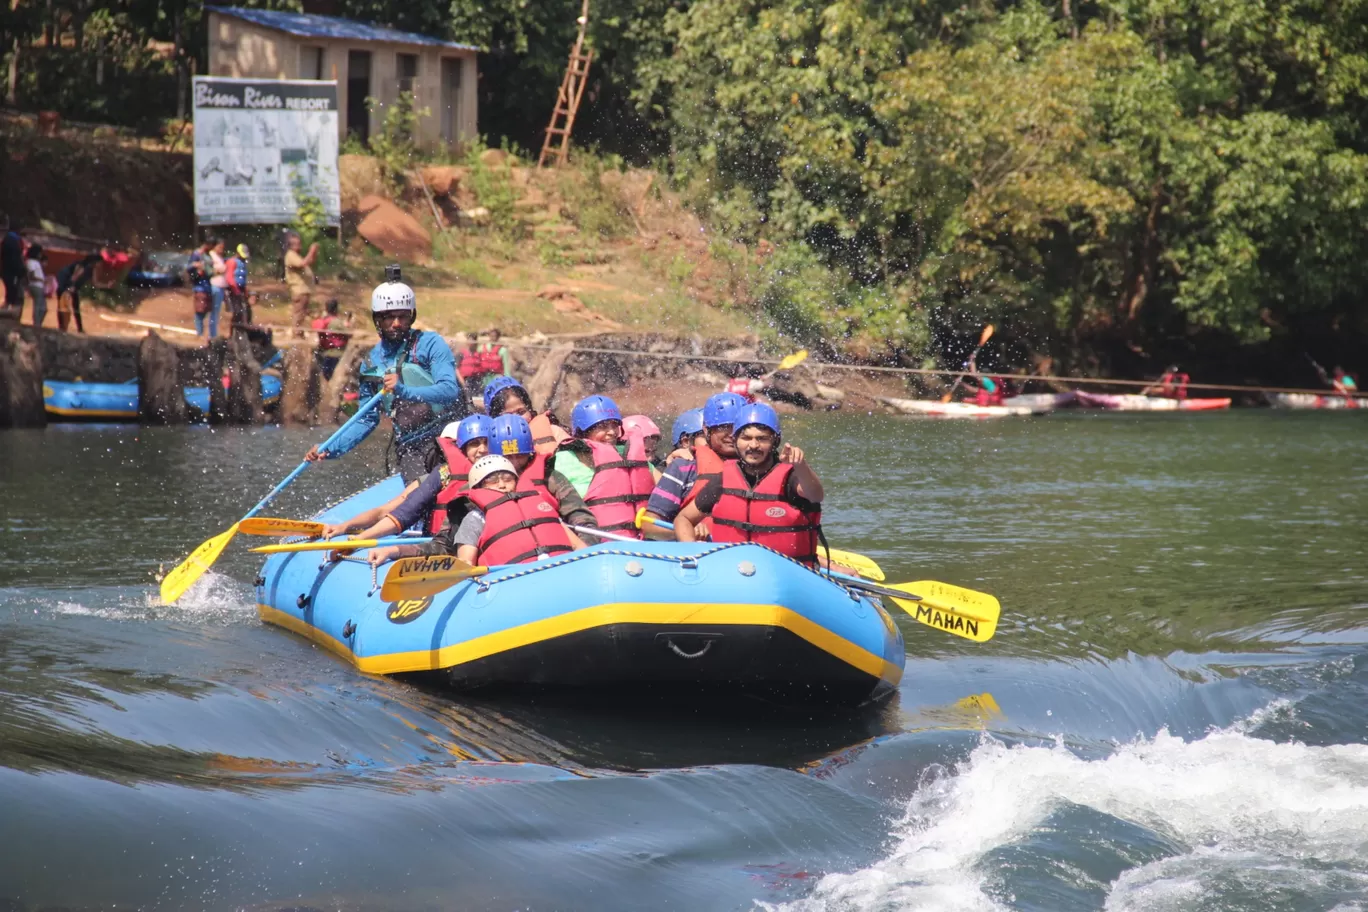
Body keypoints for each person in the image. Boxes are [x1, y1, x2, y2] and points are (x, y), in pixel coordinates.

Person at [303, 265, 468, 483]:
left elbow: (449, 390)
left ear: (411, 316)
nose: (397, 323)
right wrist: (331, 448)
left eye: (403, 316)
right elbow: (366, 419)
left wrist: (404, 390)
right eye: (389, 317)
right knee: (419, 499)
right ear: (377, 319)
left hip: (450, 435)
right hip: (412, 448)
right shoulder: (371, 364)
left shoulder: (430, 344)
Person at [368, 416, 599, 566]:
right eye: (508, 457)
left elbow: (582, 522)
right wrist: (396, 550)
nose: (515, 463)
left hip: (558, 563)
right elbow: (444, 544)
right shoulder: (474, 495)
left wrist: (588, 557)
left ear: (530, 451)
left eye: (521, 455)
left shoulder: (549, 480)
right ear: (494, 455)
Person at [674, 402, 825, 565]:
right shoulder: (723, 480)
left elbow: (815, 495)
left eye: (762, 439)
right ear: (735, 440)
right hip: (734, 573)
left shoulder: (791, 478)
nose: (753, 445)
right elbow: (683, 519)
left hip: (785, 574)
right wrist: (693, 556)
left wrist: (801, 465)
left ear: (775, 441)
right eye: (746, 438)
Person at [322, 414, 494, 548]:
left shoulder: (504, 474)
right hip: (443, 545)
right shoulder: (441, 475)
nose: (482, 450)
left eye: (487, 443)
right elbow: (392, 512)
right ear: (460, 448)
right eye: (475, 444)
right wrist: (348, 528)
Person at [552, 395, 655, 537]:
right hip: (591, 545)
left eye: (614, 425)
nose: (612, 432)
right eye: (602, 426)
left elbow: (667, 491)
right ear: (583, 432)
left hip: (639, 543)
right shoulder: (562, 461)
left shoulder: (629, 457)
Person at [641, 407, 708, 541]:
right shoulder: (678, 470)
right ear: (685, 442)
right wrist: (686, 531)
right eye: (706, 435)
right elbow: (649, 527)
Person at [481, 375, 569, 454]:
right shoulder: (484, 447)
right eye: (508, 416)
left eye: (521, 412)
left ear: (530, 410)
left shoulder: (554, 432)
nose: (517, 419)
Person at [283, 231, 320, 338]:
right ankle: (296, 334)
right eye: (297, 244)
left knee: (302, 313)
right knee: (298, 313)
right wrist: (311, 250)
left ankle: (298, 332)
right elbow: (302, 263)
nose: (300, 246)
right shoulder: (290, 255)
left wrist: (313, 252)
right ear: (292, 245)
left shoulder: (296, 255)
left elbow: (309, 261)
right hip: (299, 290)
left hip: (304, 290)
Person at [54, 253, 99, 333]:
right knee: (62, 306)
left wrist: (107, 286)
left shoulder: (92, 269)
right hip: (64, 284)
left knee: (76, 307)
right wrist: (69, 288)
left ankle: (79, 328)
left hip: (73, 287)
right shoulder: (81, 267)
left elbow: (95, 284)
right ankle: (62, 327)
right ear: (94, 262)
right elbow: (73, 278)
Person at [312, 299, 351, 379]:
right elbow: (349, 334)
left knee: (323, 376)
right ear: (336, 309)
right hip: (336, 354)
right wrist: (347, 325)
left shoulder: (323, 320)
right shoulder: (336, 322)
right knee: (330, 377)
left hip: (323, 352)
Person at [187, 239, 215, 339]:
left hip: (207, 286)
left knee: (207, 310)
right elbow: (188, 268)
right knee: (200, 311)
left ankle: (203, 333)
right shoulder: (196, 254)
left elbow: (210, 271)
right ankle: (199, 333)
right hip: (200, 286)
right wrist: (196, 266)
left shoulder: (208, 256)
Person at [1, 214, 25, 313]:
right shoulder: (12, 241)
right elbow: (14, 258)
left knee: (11, 294)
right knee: (12, 294)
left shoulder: (9, 239)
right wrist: (20, 270)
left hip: (8, 271)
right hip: (11, 272)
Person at [224, 243, 251, 329]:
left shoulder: (243, 263)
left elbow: (243, 277)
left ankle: (243, 331)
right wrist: (236, 290)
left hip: (241, 289)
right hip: (233, 289)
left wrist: (245, 289)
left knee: (245, 310)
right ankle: (234, 333)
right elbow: (229, 278)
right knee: (237, 312)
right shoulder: (232, 262)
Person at [24, 243, 48, 328]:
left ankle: (38, 323)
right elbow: (31, 276)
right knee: (38, 306)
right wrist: (42, 280)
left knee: (43, 307)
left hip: (39, 286)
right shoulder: (30, 262)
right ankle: (36, 324)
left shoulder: (35, 262)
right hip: (35, 286)